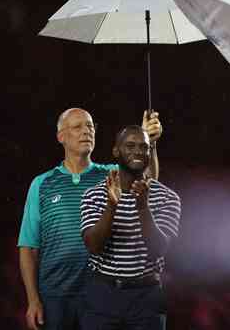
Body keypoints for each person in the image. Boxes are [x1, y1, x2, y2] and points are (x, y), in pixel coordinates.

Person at [18, 108, 161, 330]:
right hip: (55, 297)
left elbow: (148, 179)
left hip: (103, 295)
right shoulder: (42, 184)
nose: (86, 131)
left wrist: (148, 142)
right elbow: (28, 247)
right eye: (78, 127)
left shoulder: (112, 174)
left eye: (90, 126)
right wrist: (33, 300)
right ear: (61, 137)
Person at [80, 125, 181, 329]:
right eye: (130, 146)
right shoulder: (93, 195)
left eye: (144, 147)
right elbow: (94, 246)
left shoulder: (168, 197)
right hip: (103, 294)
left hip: (146, 296)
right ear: (116, 151)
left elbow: (158, 250)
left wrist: (143, 206)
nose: (138, 152)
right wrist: (111, 205)